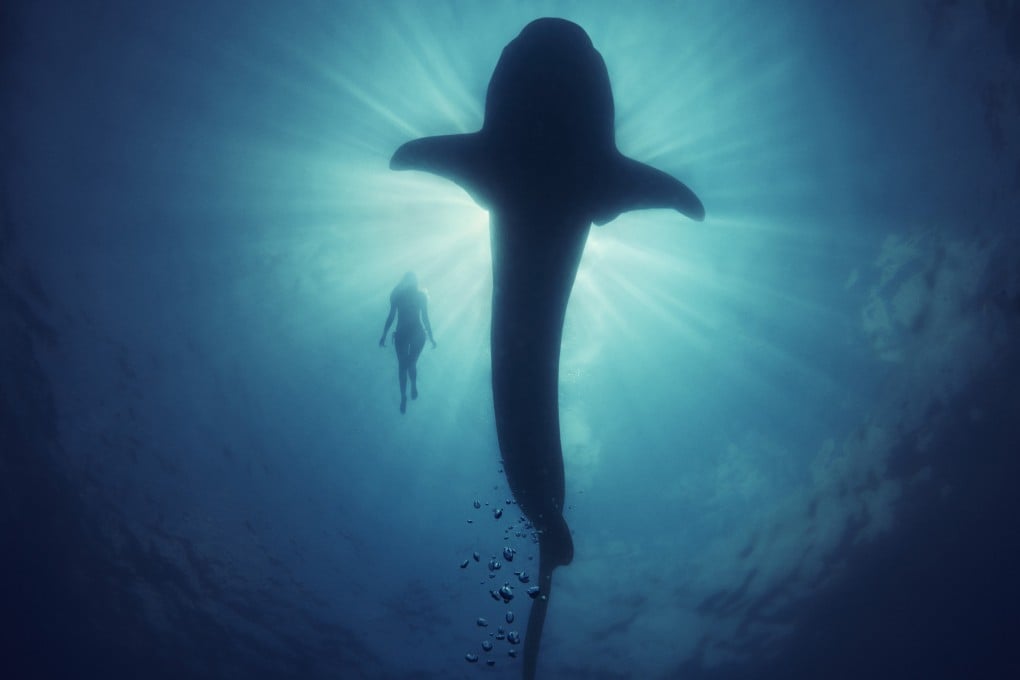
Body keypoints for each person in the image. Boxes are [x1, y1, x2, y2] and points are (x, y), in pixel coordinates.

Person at [379, 271, 436, 413]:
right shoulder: (400, 296)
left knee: (406, 365)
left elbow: (425, 317)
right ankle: (405, 394)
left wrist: (431, 336)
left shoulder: (412, 296)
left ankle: (410, 389)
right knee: (406, 365)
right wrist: (384, 334)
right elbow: (391, 316)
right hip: (408, 333)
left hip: (412, 333)